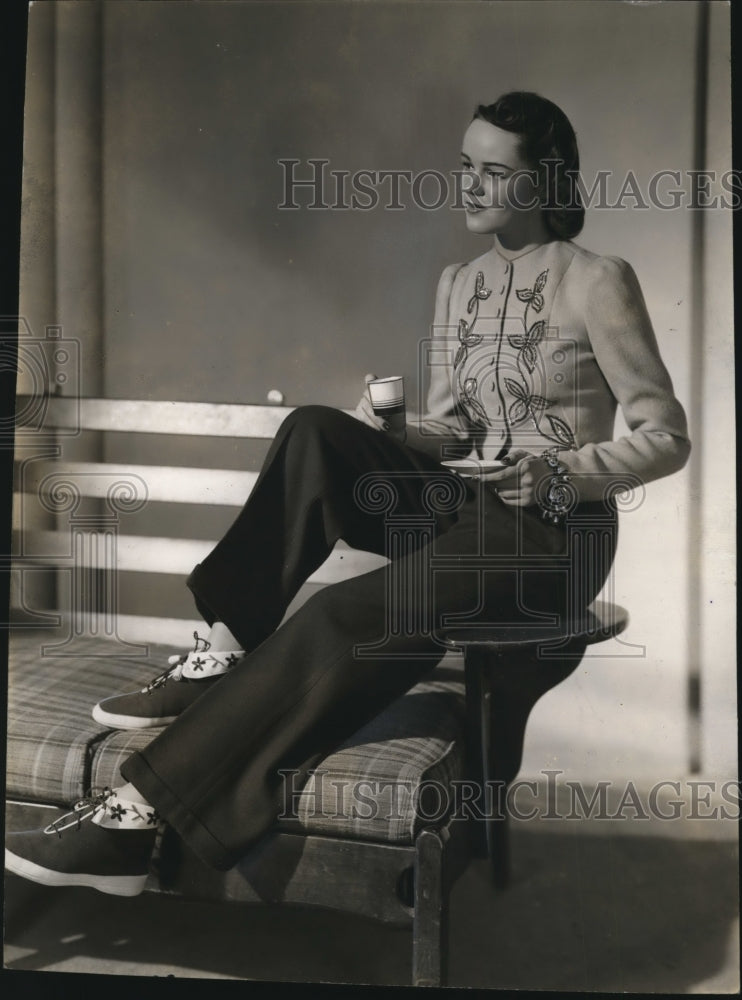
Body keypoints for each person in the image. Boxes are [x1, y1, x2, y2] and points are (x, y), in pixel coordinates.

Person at [6, 92, 690, 896]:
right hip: (467, 513)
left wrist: (564, 471)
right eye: (465, 167)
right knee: (316, 429)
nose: (468, 186)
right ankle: (225, 642)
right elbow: (458, 430)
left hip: (552, 536)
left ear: (542, 183)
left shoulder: (598, 280)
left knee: (343, 613)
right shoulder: (458, 282)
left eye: (493, 173)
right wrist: (393, 431)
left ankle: (137, 816)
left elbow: (666, 435)